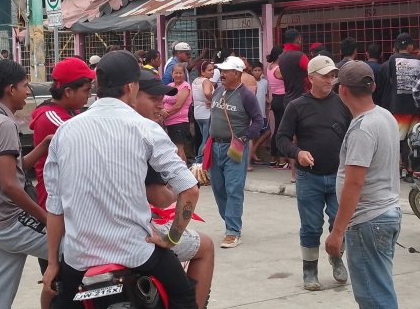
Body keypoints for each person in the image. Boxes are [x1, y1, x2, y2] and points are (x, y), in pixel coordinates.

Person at [41, 51, 199, 309]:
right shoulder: (145, 128)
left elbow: (55, 206)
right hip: (137, 251)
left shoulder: (65, 132)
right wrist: (171, 238)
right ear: (131, 87)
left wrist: (53, 263)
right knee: (183, 295)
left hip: (80, 256)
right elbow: (189, 190)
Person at [131, 67, 216, 309]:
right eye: (153, 99)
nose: (161, 105)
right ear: (131, 94)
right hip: (135, 236)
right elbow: (160, 197)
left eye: (162, 99)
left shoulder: (80, 129)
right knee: (206, 246)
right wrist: (171, 237)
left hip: (84, 237)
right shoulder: (146, 132)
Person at [0, 60, 54, 309]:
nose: (27, 92)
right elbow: (10, 184)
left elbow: (15, 169)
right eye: (25, 86)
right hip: (9, 222)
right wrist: (46, 219)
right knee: (73, 249)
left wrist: (43, 146)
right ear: (11, 89)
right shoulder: (5, 125)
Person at [324, 61, 401, 309]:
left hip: (369, 220)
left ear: (342, 91)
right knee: (379, 288)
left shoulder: (363, 128)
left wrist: (337, 232)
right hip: (386, 213)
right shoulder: (385, 116)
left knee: (373, 297)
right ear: (373, 86)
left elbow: (354, 183)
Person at [276, 54, 351, 291]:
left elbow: (353, 134)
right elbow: (281, 138)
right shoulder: (297, 106)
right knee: (311, 226)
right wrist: (297, 153)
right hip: (310, 177)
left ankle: (336, 257)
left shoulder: (342, 103)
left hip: (339, 176)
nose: (330, 80)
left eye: (333, 76)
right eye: (325, 75)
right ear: (311, 78)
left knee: (341, 222)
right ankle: (310, 270)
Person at [208, 55, 265, 248]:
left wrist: (244, 138)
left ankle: (233, 231)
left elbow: (258, 121)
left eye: (225, 71)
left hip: (234, 148)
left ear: (237, 73)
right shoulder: (218, 91)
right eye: (221, 71)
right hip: (214, 146)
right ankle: (230, 222)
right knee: (218, 188)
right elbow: (212, 120)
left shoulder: (246, 95)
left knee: (233, 188)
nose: (221, 74)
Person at [30, 58, 93, 208]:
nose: (89, 95)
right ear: (68, 92)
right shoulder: (52, 118)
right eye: (86, 90)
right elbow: (91, 140)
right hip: (56, 202)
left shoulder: (69, 110)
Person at [377, 34, 420, 138]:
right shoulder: (419, 61)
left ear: (397, 46)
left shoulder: (392, 59)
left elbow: (390, 80)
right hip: (415, 107)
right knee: (413, 138)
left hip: (398, 106)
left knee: (397, 138)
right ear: (410, 46)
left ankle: (398, 155)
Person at [162, 63, 193, 163]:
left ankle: (183, 174)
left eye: (181, 73)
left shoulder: (185, 86)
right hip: (168, 122)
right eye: (176, 73)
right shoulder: (169, 86)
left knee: (179, 150)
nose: (178, 75)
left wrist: (163, 114)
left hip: (179, 122)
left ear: (184, 74)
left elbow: (178, 105)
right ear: (172, 74)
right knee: (173, 150)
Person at [264, 47, 289, 169]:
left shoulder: (269, 67)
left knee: (277, 129)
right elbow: (289, 80)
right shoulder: (279, 69)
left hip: (275, 98)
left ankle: (273, 159)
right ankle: (282, 160)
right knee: (282, 130)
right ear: (279, 56)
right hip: (282, 99)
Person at [190, 61, 215, 165]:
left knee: (203, 139)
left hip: (198, 113)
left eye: (213, 69)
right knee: (206, 140)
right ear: (202, 71)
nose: (212, 72)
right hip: (207, 113)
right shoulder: (206, 81)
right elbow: (207, 93)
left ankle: (202, 162)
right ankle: (199, 163)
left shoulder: (195, 81)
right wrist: (214, 100)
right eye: (209, 70)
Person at [276, 29, 311, 104]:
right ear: (298, 39)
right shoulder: (300, 56)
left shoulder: (281, 57)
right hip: (301, 99)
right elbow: (312, 72)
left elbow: (280, 75)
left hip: (288, 99)